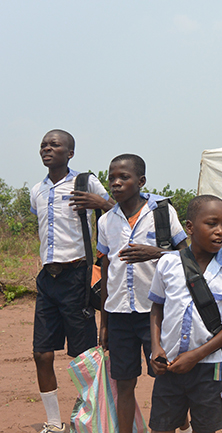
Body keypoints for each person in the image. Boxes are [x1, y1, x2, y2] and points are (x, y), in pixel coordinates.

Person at [30, 129, 114, 433]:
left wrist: (98, 202)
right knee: (41, 352)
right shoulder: (37, 190)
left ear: (70, 153)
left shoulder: (85, 182)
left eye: (55, 145)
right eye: (43, 145)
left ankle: (90, 417)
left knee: (84, 354)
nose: (47, 149)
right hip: (47, 278)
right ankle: (54, 423)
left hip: (77, 275)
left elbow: (117, 212)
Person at [148, 195, 222, 433]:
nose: (220, 231)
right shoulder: (168, 264)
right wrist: (156, 347)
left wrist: (196, 355)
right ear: (190, 228)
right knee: (161, 426)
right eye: (211, 224)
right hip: (169, 365)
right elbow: (157, 307)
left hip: (209, 366)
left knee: (206, 427)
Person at [97, 154, 187, 433]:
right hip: (120, 313)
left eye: (123, 177)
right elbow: (105, 268)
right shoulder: (106, 221)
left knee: (167, 376)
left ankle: (179, 425)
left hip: (157, 313)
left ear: (141, 181)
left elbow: (188, 255)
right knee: (124, 382)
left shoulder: (161, 212)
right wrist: (104, 321)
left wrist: (156, 253)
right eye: (112, 177)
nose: (116, 183)